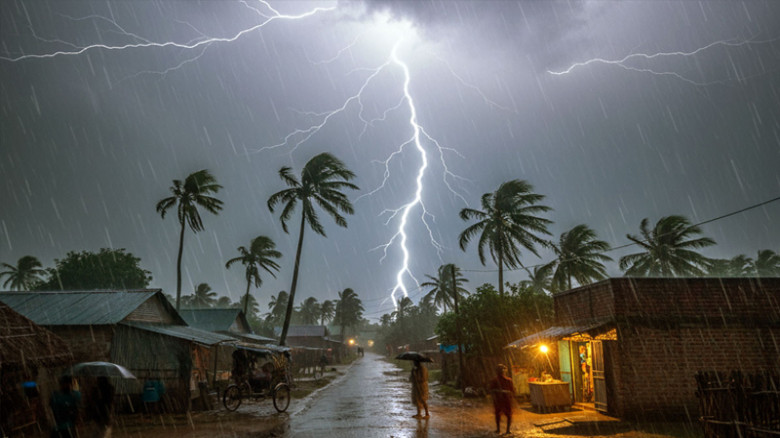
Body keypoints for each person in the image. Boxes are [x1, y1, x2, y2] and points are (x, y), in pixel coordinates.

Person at [488, 364, 514, 435]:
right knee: (507, 415)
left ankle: (500, 429)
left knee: (500, 414)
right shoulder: (507, 380)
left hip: (500, 400)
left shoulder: (496, 380)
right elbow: (512, 391)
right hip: (504, 400)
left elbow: (491, 390)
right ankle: (506, 430)